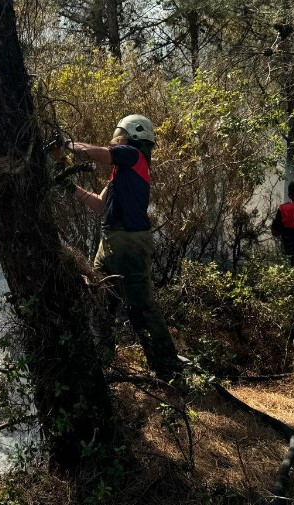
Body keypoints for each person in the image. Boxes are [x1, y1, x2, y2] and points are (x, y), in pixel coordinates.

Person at [59, 114, 182, 381]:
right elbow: (99, 205)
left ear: (135, 136)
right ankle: (104, 361)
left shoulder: (134, 155)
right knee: (100, 298)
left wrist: (67, 144)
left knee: (140, 305)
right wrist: (69, 187)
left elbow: (99, 153)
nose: (118, 142)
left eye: (121, 138)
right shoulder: (121, 173)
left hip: (129, 242)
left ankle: (168, 368)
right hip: (111, 240)